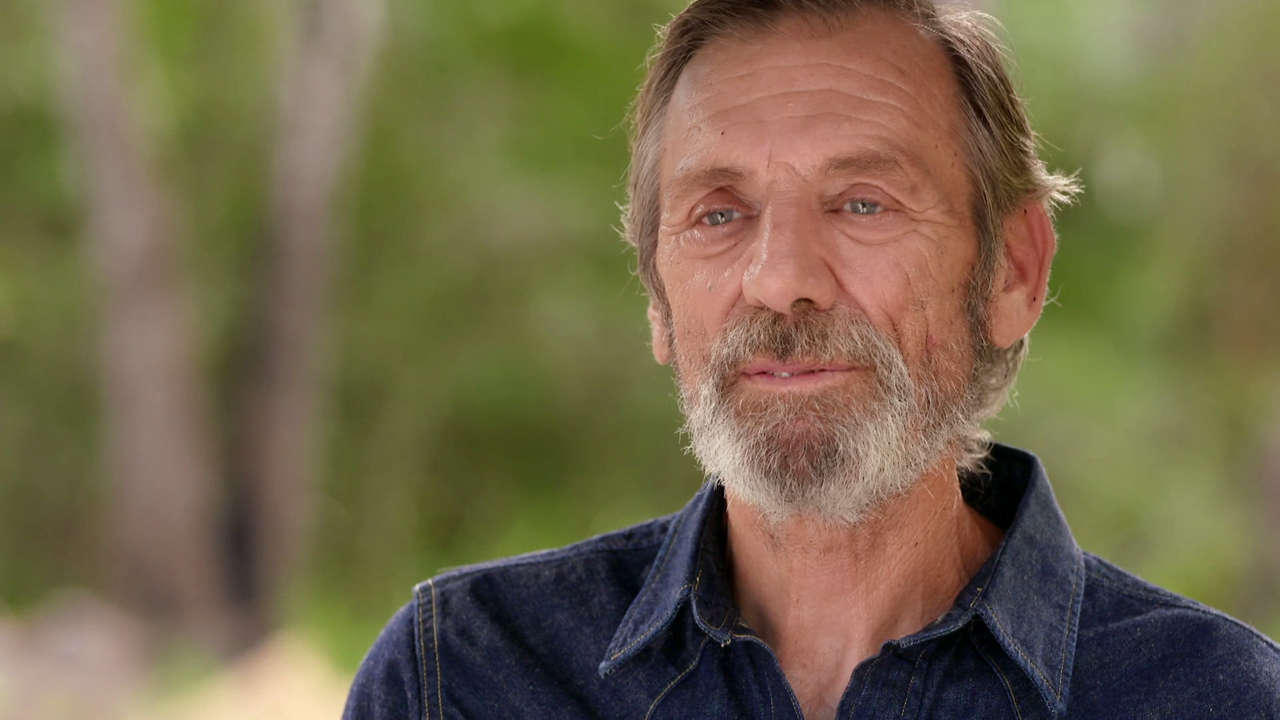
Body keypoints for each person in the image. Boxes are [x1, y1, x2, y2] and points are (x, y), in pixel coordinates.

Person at [343, 1, 1280, 717]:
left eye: (863, 203)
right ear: (659, 298)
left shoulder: (1221, 699)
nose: (781, 279)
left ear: (1013, 272)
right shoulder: (457, 679)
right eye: (719, 213)